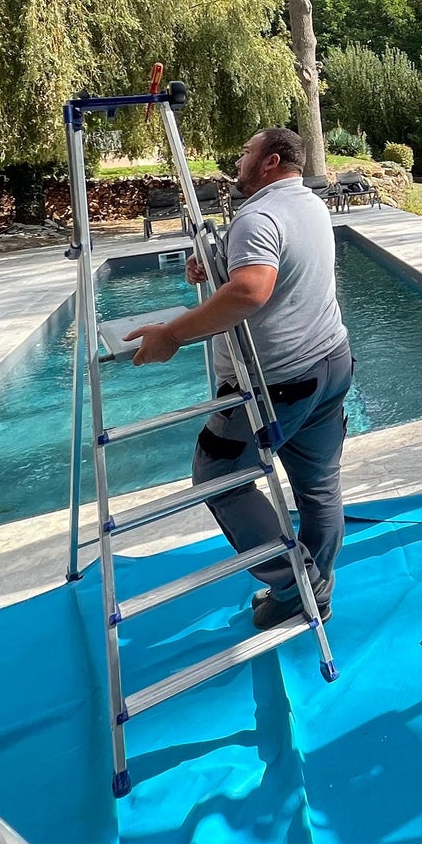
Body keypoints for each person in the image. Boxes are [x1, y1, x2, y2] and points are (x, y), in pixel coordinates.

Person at [125, 127, 353, 629]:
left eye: (246, 151)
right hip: (330, 363)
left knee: (219, 478)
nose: (239, 158)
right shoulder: (308, 203)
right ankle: (318, 588)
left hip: (278, 382)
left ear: (270, 162)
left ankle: (298, 584)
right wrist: (219, 263)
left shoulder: (258, 214)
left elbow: (251, 291)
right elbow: (270, 266)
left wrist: (172, 335)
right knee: (318, 487)